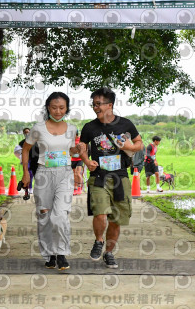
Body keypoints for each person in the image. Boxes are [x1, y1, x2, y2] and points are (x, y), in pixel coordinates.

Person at [78, 87, 143, 269]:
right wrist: (85, 160)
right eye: (94, 104)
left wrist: (130, 146)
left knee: (116, 218)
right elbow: (82, 146)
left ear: (110, 105)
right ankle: (99, 241)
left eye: (99, 104)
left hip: (120, 177)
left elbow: (139, 143)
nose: (95, 107)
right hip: (98, 176)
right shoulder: (89, 127)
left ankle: (109, 252)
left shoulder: (126, 124)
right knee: (100, 212)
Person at [22, 92, 79, 271]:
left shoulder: (72, 128)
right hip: (44, 175)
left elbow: (71, 151)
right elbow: (25, 150)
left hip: (64, 174)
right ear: (48, 107)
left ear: (67, 108)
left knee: (60, 215)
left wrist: (77, 150)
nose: (58, 111)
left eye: (62, 107)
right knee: (45, 216)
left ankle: (61, 253)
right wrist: (26, 173)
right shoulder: (38, 128)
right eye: (54, 107)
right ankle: (49, 255)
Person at [17, 127, 38, 192]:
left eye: (28, 132)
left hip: (35, 160)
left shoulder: (36, 141)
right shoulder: (21, 143)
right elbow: (19, 152)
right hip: (27, 160)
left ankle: (35, 188)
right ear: (23, 133)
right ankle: (29, 188)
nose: (27, 133)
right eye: (25, 132)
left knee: (36, 175)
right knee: (28, 173)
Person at [71, 131, 84, 195]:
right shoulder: (71, 141)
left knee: (78, 173)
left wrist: (79, 153)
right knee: (74, 174)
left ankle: (79, 188)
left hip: (80, 159)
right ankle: (75, 188)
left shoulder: (80, 140)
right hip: (73, 159)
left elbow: (84, 149)